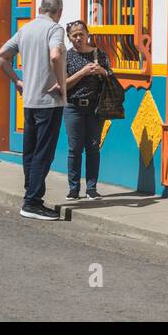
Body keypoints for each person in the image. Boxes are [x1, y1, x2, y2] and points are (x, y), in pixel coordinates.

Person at [0, 0, 68, 221]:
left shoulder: (25, 29)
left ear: (39, 8)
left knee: (30, 151)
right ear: (59, 11)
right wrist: (61, 83)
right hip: (48, 102)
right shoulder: (54, 29)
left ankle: (31, 194)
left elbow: (0, 56)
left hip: (29, 102)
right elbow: (55, 55)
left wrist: (17, 81)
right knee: (43, 153)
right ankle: (32, 202)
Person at [62, 20, 110, 200]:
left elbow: (111, 78)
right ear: (69, 38)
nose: (78, 38)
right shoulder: (66, 57)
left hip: (95, 108)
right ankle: (73, 189)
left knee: (93, 148)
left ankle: (91, 189)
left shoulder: (99, 54)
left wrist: (102, 72)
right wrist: (82, 73)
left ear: (87, 34)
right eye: (74, 35)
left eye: (81, 33)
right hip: (73, 107)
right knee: (74, 148)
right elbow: (63, 85)